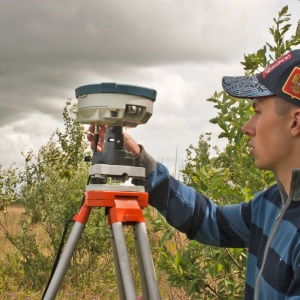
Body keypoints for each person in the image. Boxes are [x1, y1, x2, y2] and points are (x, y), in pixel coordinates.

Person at [87, 49, 300, 300]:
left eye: (256, 111)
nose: (246, 128)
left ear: (295, 122)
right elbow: (209, 221)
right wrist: (138, 160)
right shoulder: (271, 203)